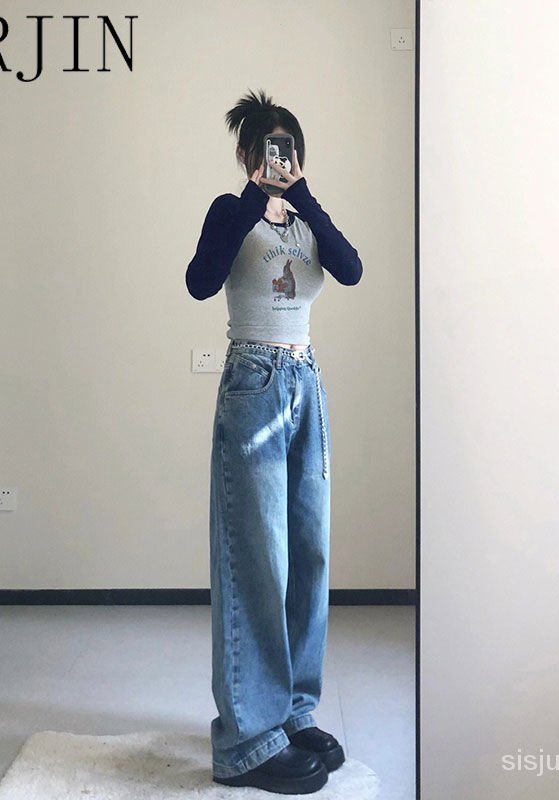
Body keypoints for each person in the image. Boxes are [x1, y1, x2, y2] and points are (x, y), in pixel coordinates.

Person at [186, 89, 363, 794]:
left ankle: (292, 713)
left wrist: (303, 198)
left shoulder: (309, 217)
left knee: (309, 554)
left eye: (288, 146)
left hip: (305, 384)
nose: (279, 157)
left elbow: (350, 268)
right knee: (257, 560)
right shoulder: (231, 213)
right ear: (247, 154)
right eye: (267, 146)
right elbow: (200, 282)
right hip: (254, 382)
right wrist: (253, 201)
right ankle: (246, 742)